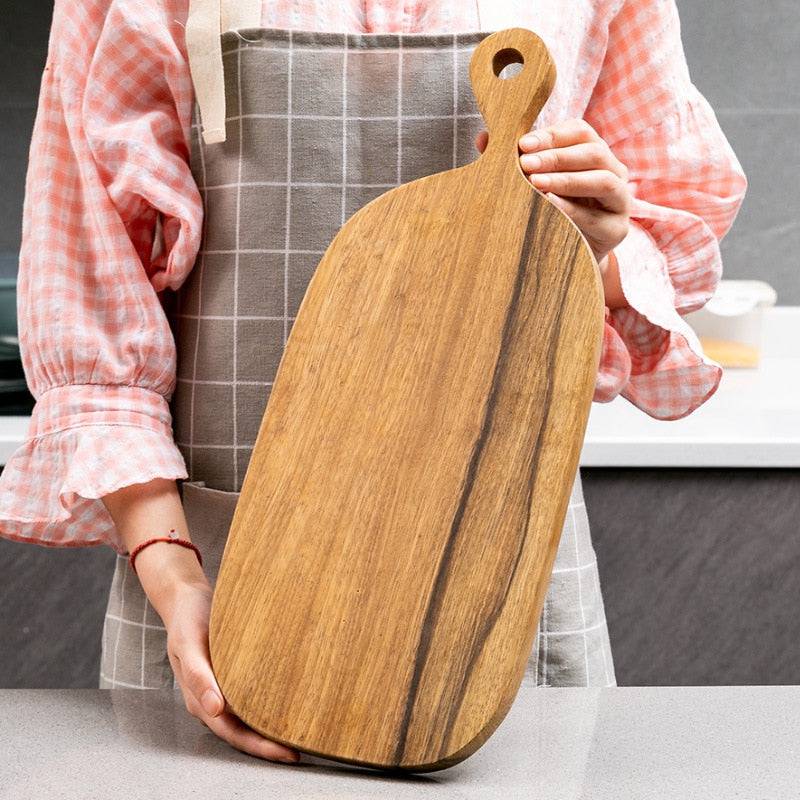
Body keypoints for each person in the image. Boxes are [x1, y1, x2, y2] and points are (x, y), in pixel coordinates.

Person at [0, 0, 746, 765]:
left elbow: (670, 230)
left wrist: (594, 242)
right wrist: (172, 572)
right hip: (214, 587)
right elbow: (90, 279)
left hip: (489, 578)